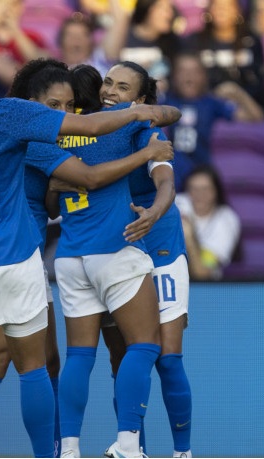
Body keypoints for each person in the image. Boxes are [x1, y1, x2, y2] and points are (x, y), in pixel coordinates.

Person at [0, 28, 179, 459]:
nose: (62, 114)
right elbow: (86, 167)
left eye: (68, 106)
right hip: (13, 252)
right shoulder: (13, 121)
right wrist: (139, 119)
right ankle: (54, 453)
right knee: (29, 365)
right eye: (54, 107)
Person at [92, 61, 193, 458]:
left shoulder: (148, 131)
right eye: (107, 82)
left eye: (122, 87)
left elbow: (165, 181)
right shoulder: (90, 131)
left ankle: (183, 452)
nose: (110, 92)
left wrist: (155, 212)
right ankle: (134, 450)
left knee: (167, 358)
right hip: (119, 249)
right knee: (125, 359)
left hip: (161, 243)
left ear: (141, 100)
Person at [165, 52, 264, 189]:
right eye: (183, 71)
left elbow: (256, 117)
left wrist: (237, 93)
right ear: (174, 77)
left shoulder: (211, 102)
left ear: (204, 77)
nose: (188, 76)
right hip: (172, 174)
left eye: (195, 71)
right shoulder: (165, 101)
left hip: (201, 172)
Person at [185, 0, 264, 105]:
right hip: (206, 105)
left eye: (228, 6)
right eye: (217, 6)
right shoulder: (196, 41)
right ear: (209, 10)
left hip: (246, 106)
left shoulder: (251, 41)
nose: (222, 10)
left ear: (238, 11)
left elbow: (259, 79)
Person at [175, 165, 241, 279]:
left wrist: (189, 238)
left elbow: (203, 273)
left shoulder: (226, 219)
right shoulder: (178, 203)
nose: (199, 195)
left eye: (205, 189)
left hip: (207, 288)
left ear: (216, 191)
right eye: (194, 189)